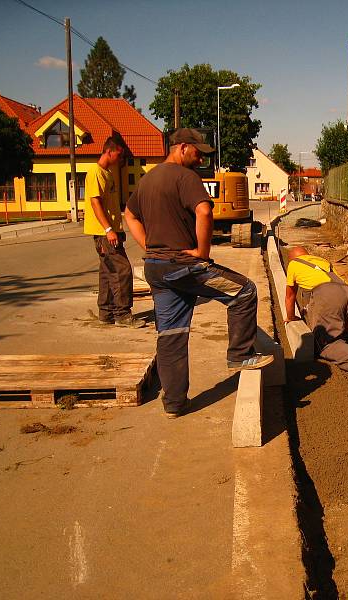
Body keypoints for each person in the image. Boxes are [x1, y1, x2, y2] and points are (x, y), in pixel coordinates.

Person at [124, 128, 273, 418]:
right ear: (181, 147)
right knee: (243, 292)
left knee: (171, 334)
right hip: (184, 268)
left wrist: (149, 246)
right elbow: (205, 212)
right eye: (197, 152)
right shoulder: (185, 177)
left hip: (157, 269)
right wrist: (203, 253)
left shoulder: (148, 179)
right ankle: (241, 355)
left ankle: (174, 404)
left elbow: (129, 215)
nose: (200, 158)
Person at [284, 246, 348, 383]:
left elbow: (290, 296)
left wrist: (290, 318)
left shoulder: (293, 264)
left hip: (328, 295)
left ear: (292, 259)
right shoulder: (322, 261)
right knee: (342, 340)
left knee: (326, 345)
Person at [84, 136, 144, 327]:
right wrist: (109, 229)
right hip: (104, 233)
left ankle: (106, 312)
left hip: (110, 232)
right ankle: (122, 315)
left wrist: (117, 229)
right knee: (122, 270)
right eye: (119, 154)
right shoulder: (95, 172)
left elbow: (109, 205)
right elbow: (95, 202)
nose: (121, 158)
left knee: (108, 271)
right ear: (109, 151)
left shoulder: (107, 173)